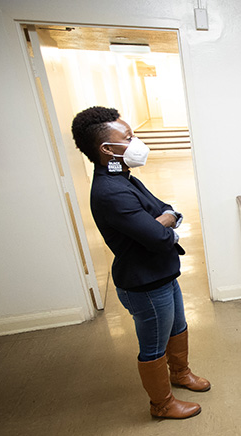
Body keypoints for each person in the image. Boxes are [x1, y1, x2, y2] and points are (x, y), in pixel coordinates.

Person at [71, 106, 210, 419]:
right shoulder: (109, 192)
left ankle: (181, 374)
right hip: (144, 284)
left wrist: (165, 218)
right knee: (153, 347)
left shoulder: (123, 177)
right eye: (128, 137)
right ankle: (161, 404)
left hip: (162, 273)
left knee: (178, 327)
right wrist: (166, 222)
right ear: (107, 149)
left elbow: (166, 208)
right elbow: (159, 236)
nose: (136, 142)